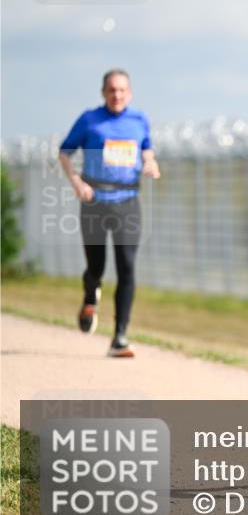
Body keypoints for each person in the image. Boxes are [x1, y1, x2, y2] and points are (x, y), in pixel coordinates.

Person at [58, 69, 160, 358]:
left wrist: (150, 163)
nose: (117, 95)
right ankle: (91, 295)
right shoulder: (90, 120)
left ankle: (120, 337)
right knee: (96, 266)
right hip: (94, 201)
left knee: (127, 266)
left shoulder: (139, 120)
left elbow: (147, 148)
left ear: (130, 93)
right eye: (112, 90)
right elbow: (64, 152)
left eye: (122, 90)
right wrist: (76, 182)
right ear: (103, 92)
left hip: (127, 200)